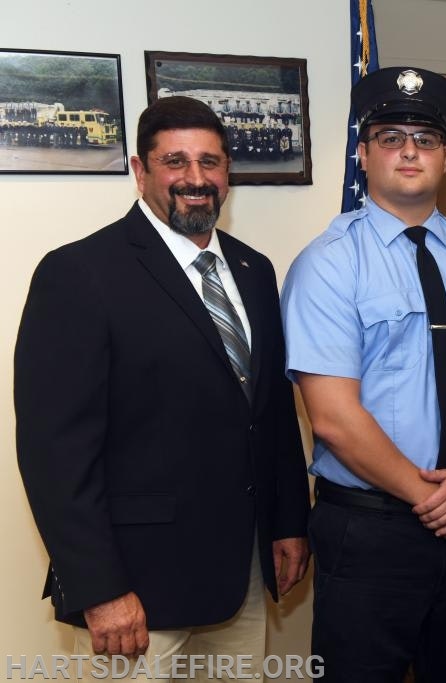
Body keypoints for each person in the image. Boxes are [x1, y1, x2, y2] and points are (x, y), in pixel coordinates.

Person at [14, 96, 311, 681]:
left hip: (242, 575)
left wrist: (288, 523)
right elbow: (55, 454)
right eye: (175, 161)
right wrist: (100, 588)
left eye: (210, 162)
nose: (195, 179)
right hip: (135, 591)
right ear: (139, 170)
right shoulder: (79, 273)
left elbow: (271, 414)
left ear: (227, 171)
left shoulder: (253, 270)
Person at [281, 66, 446, 682]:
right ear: (363, 154)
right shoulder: (328, 265)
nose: (410, 152)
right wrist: (436, 500)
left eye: (425, 139)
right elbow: (333, 419)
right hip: (370, 530)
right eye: (391, 138)